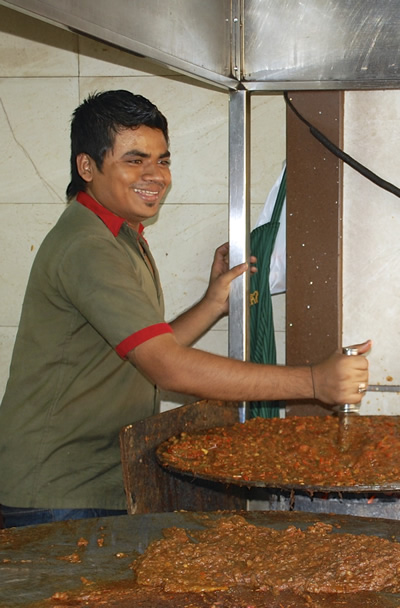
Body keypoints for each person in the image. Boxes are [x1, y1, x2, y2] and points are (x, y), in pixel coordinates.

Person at [0, 90, 370, 528]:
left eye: (163, 160)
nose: (155, 175)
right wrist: (314, 380)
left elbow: (151, 346)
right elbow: (167, 366)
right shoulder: (89, 247)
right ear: (87, 166)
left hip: (87, 481)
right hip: (57, 489)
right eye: (135, 160)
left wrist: (213, 302)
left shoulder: (118, 235)